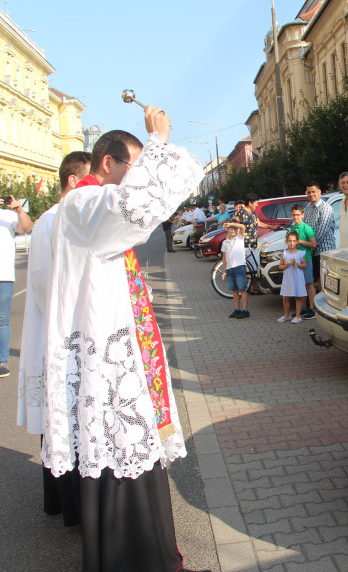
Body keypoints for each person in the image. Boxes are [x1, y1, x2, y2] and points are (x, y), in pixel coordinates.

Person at [41, 107, 209, 572]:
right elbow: (137, 208)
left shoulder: (88, 205)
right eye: (133, 166)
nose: (137, 177)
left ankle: (155, 555)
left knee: (137, 456)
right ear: (108, 163)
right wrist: (157, 143)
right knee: (122, 457)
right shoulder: (85, 202)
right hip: (108, 364)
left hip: (119, 353)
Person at [17, 151, 89, 527]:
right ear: (74, 181)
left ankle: (63, 502)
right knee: (64, 422)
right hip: (62, 337)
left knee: (65, 423)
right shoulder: (51, 222)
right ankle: (69, 506)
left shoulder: (61, 219)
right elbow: (49, 287)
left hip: (65, 335)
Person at [0, 191, 33, 378]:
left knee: (2, 320)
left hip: (3, 275)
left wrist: (19, 209)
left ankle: (2, 361)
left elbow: (26, 227)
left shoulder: (8, 215)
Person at [240, 193, 277, 293]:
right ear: (250, 203)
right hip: (245, 243)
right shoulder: (242, 214)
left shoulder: (252, 213)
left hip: (252, 242)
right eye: (256, 203)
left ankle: (253, 287)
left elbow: (258, 223)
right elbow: (236, 225)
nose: (257, 205)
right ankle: (249, 287)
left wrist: (271, 227)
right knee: (251, 266)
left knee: (255, 266)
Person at [303, 181, 335, 296]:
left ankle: (325, 307)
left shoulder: (326, 208)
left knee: (324, 280)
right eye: (309, 192)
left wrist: (311, 246)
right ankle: (317, 307)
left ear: (319, 192)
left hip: (324, 251)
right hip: (312, 250)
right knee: (317, 279)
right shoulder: (307, 209)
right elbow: (304, 229)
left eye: (313, 191)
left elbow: (322, 230)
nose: (311, 194)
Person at [289, 204, 317, 319]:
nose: (296, 217)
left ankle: (313, 309)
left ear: (302, 215)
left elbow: (313, 244)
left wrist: (299, 241)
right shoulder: (293, 229)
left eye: (298, 215)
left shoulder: (307, 228)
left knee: (309, 284)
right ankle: (303, 308)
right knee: (300, 285)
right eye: (294, 215)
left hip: (306, 260)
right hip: (296, 261)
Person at [277, 230, 307, 324]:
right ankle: (287, 314)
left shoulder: (300, 253)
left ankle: (298, 316)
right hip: (288, 277)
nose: (292, 243)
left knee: (298, 296)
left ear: (297, 241)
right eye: (290, 241)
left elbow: (304, 265)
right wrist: (285, 265)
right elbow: (280, 266)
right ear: (286, 242)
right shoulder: (284, 253)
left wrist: (296, 264)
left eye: (294, 241)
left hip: (297, 277)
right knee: (285, 297)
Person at [220, 221, 249, 319]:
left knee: (242, 289)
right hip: (230, 269)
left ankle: (245, 310)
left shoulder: (239, 238)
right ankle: (237, 309)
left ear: (237, 230)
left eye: (234, 228)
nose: (232, 230)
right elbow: (224, 257)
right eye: (230, 228)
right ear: (227, 230)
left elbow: (242, 226)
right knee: (234, 290)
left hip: (239, 267)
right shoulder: (225, 242)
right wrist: (224, 270)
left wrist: (230, 224)